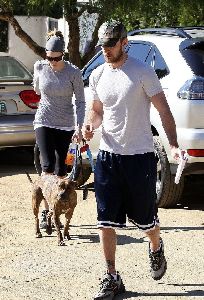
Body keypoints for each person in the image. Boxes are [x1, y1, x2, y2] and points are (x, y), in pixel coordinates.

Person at [83, 20, 184, 300]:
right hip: (108, 156)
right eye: (102, 45)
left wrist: (173, 145)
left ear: (124, 43)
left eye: (110, 44)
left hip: (139, 157)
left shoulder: (142, 71)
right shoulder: (98, 75)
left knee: (146, 222)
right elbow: (97, 110)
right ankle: (112, 277)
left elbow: (164, 111)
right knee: (105, 221)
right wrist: (89, 125)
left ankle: (155, 245)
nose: (105, 50)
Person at [33, 30, 85, 228]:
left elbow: (80, 101)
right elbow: (37, 90)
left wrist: (78, 127)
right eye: (49, 57)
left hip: (65, 124)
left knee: (61, 169)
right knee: (46, 167)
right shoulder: (40, 66)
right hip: (44, 120)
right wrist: (39, 80)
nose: (52, 62)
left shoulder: (73, 73)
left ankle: (60, 205)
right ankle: (47, 212)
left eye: (56, 58)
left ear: (63, 54)